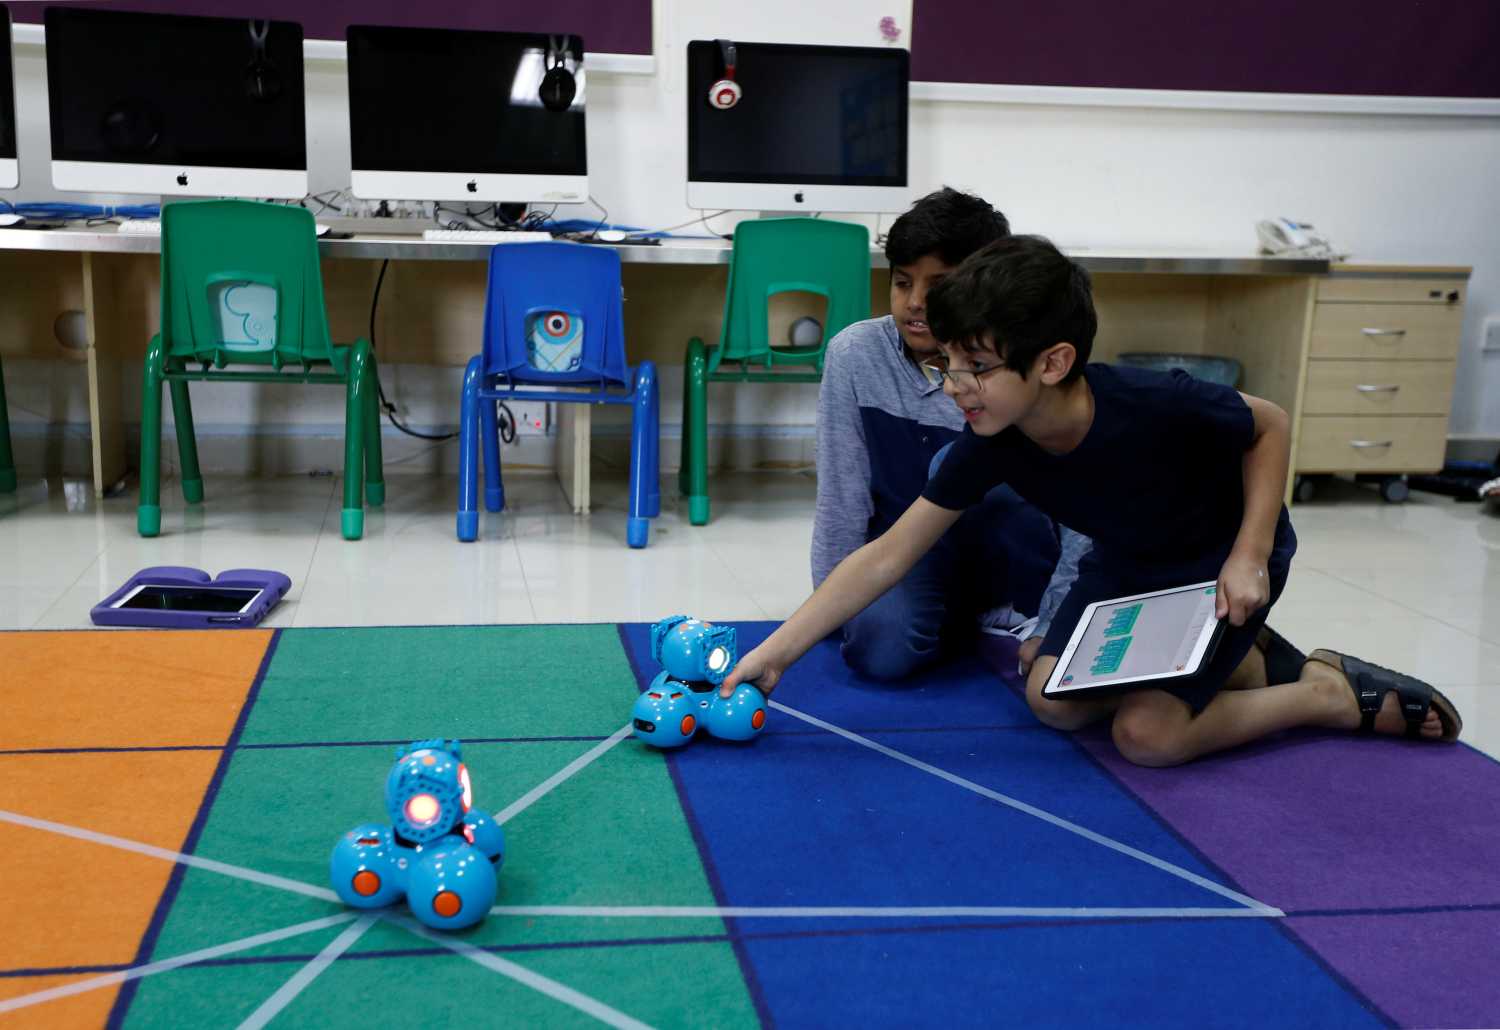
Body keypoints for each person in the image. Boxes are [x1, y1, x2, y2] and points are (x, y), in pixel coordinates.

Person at [725, 234, 1462, 766]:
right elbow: (888, 553)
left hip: (1217, 561)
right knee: (1050, 699)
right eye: (949, 365)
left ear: (1053, 362)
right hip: (1129, 567)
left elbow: (1267, 424)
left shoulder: (1149, 400)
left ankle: (1325, 696)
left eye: (976, 368)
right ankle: (1242, 660)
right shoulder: (992, 439)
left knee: (1148, 737)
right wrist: (773, 653)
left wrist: (1248, 557)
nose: (955, 386)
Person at [812, 186, 1090, 681]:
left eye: (938, 285)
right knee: (878, 648)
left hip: (1013, 558)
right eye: (901, 283)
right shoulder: (855, 355)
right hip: (906, 553)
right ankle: (941, 616)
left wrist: (1057, 619)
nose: (916, 304)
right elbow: (841, 497)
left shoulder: (1023, 364)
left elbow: (1083, 516)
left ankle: (994, 613)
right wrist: (830, 608)